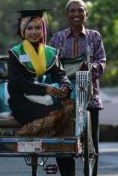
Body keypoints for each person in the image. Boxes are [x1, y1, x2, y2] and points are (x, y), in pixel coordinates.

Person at [49, 0, 106, 176]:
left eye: (80, 11)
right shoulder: (56, 38)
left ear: (86, 14)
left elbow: (102, 61)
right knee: (62, 138)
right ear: (66, 15)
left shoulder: (94, 37)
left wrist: (89, 69)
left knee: (92, 142)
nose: (76, 14)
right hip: (63, 97)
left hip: (90, 97)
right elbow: (51, 66)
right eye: (72, 11)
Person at [8, 9, 73, 138]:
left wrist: (65, 86)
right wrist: (45, 88)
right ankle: (21, 135)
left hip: (47, 99)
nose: (34, 32)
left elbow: (60, 75)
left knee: (72, 106)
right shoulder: (16, 53)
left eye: (38, 28)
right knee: (60, 113)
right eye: (29, 28)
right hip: (22, 102)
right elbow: (18, 82)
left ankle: (62, 151)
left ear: (42, 29)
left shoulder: (50, 52)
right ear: (23, 31)